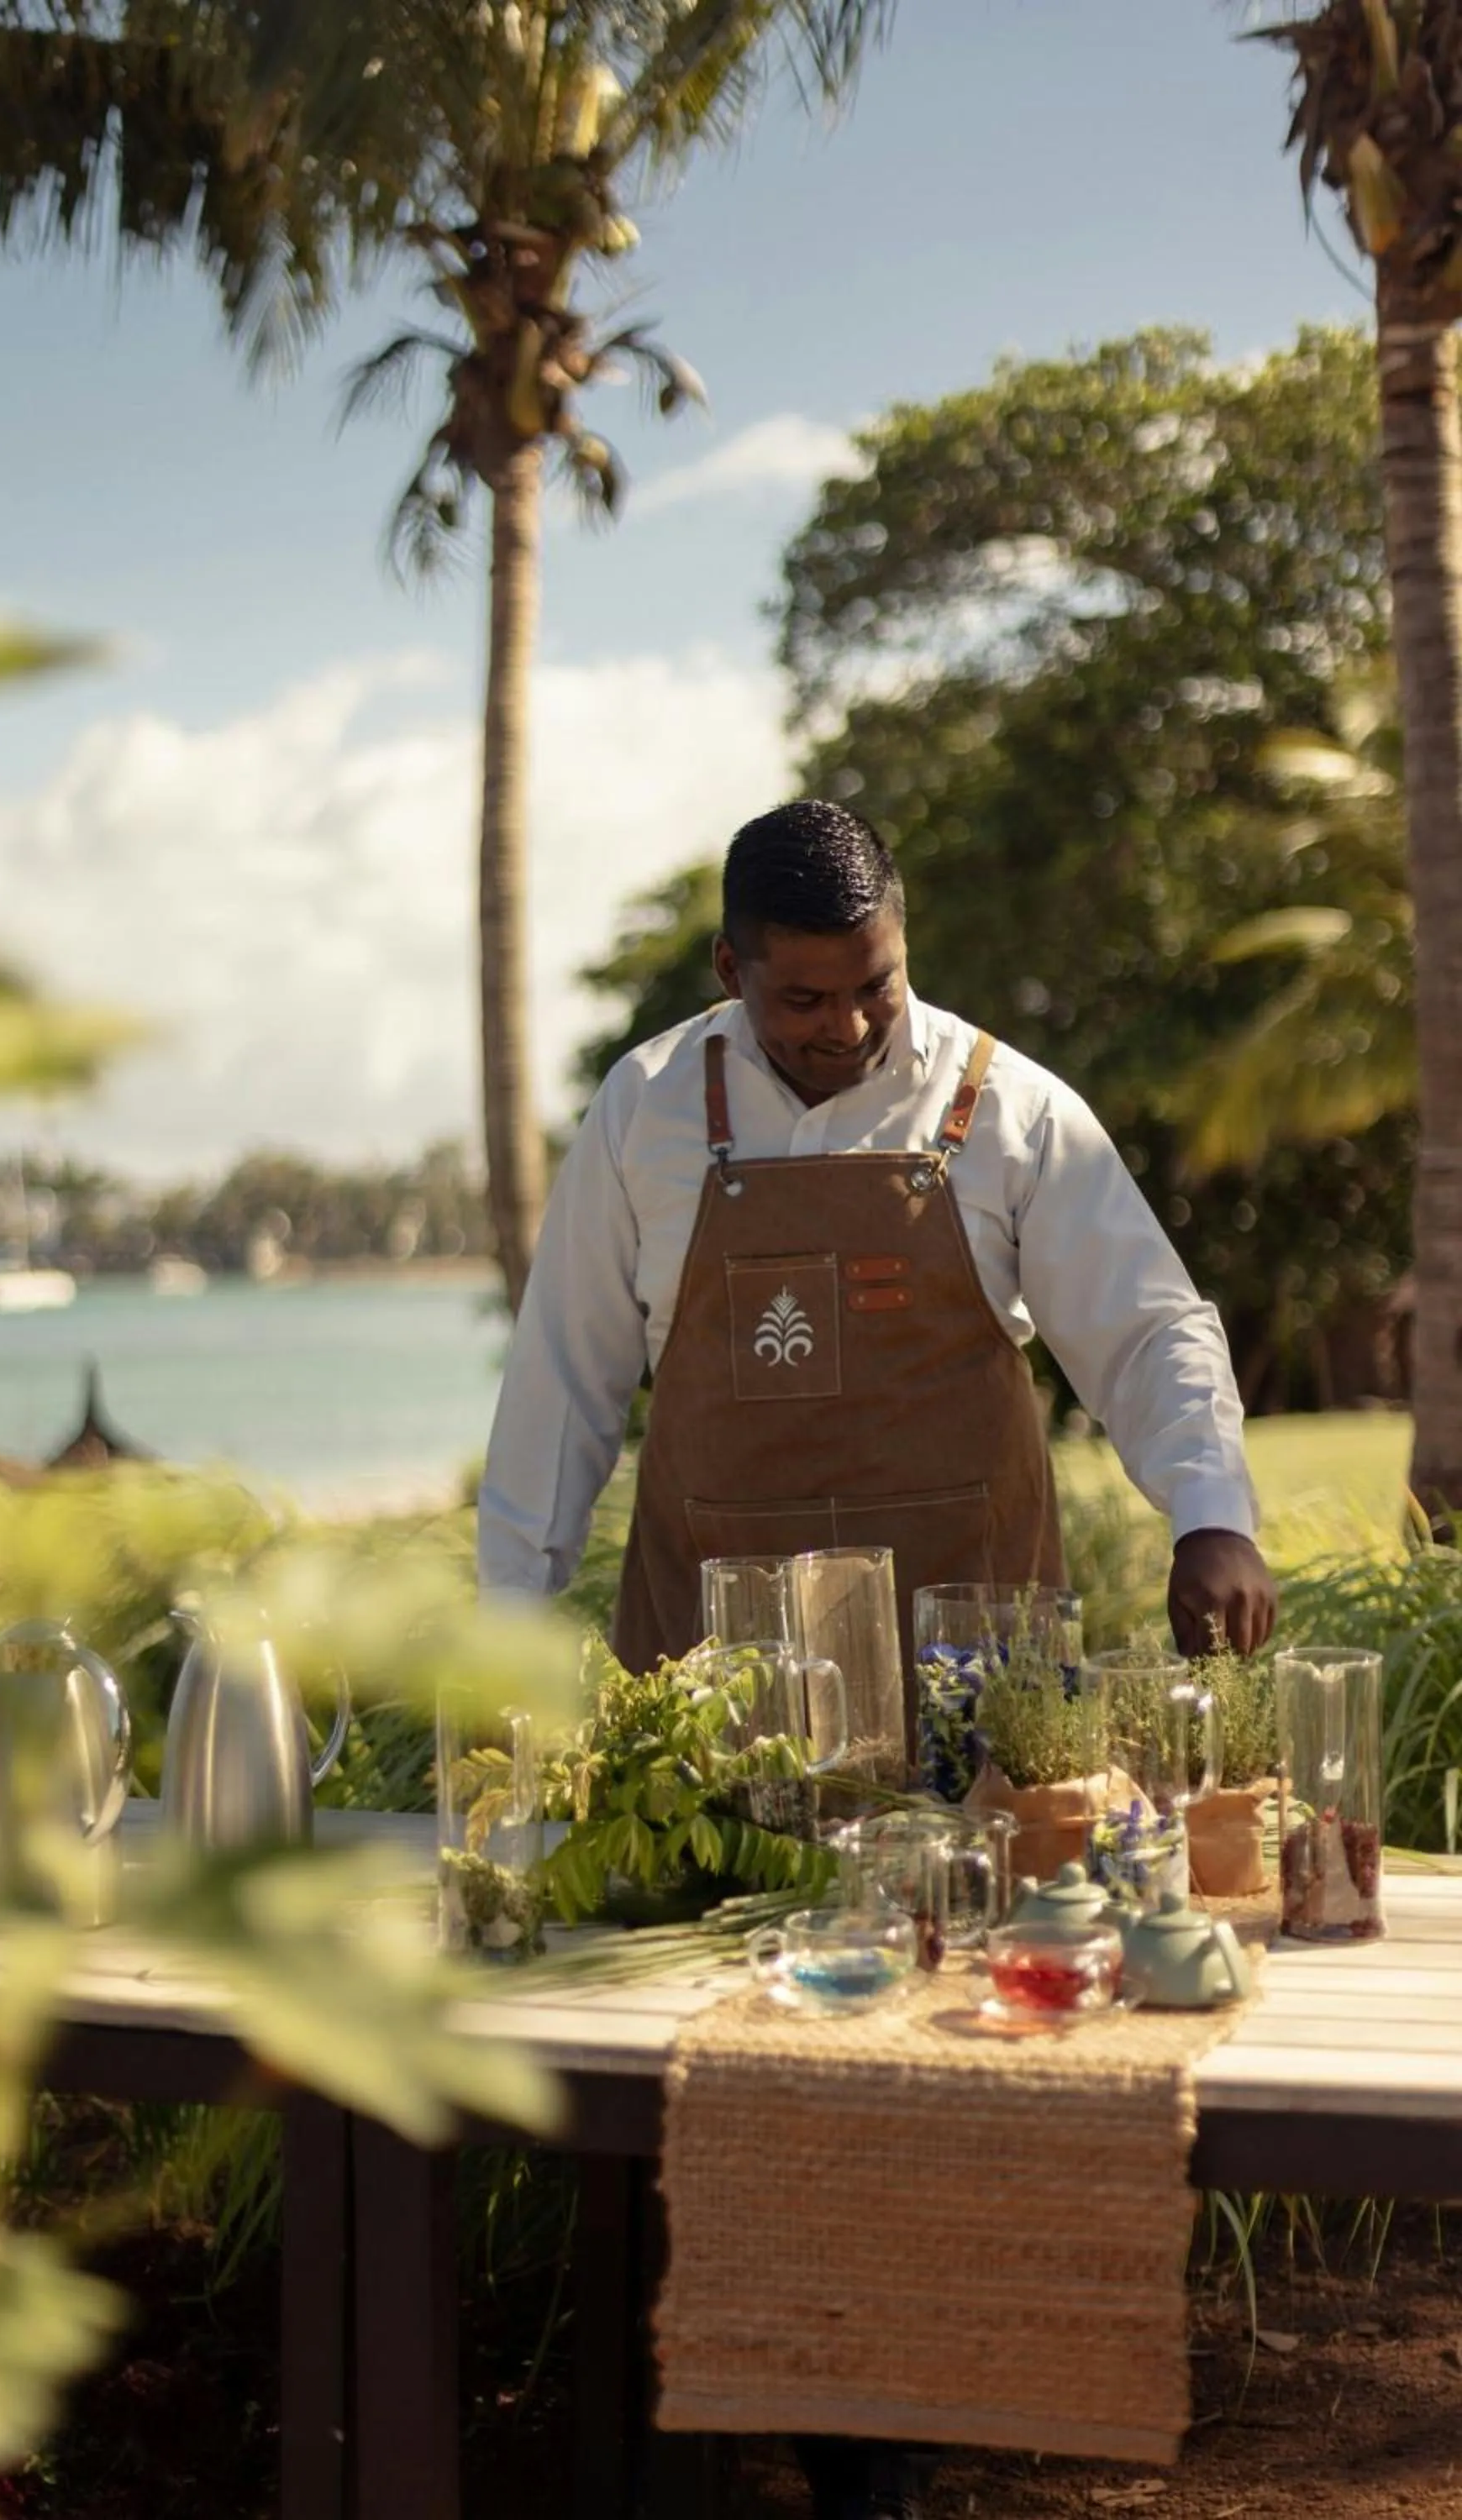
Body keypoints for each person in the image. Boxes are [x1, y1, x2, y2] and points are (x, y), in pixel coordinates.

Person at [476, 798, 1278, 2517]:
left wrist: (1212, 1507)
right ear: (729, 975)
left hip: (971, 1684)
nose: (842, 1029)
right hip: (708, 1686)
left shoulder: (1003, 1108)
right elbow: (556, 1392)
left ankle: (885, 2438)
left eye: (872, 992)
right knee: (726, 2052)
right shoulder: (641, 1119)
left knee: (938, 2052)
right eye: (801, 1004)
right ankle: (739, 2413)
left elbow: (1144, 1325)